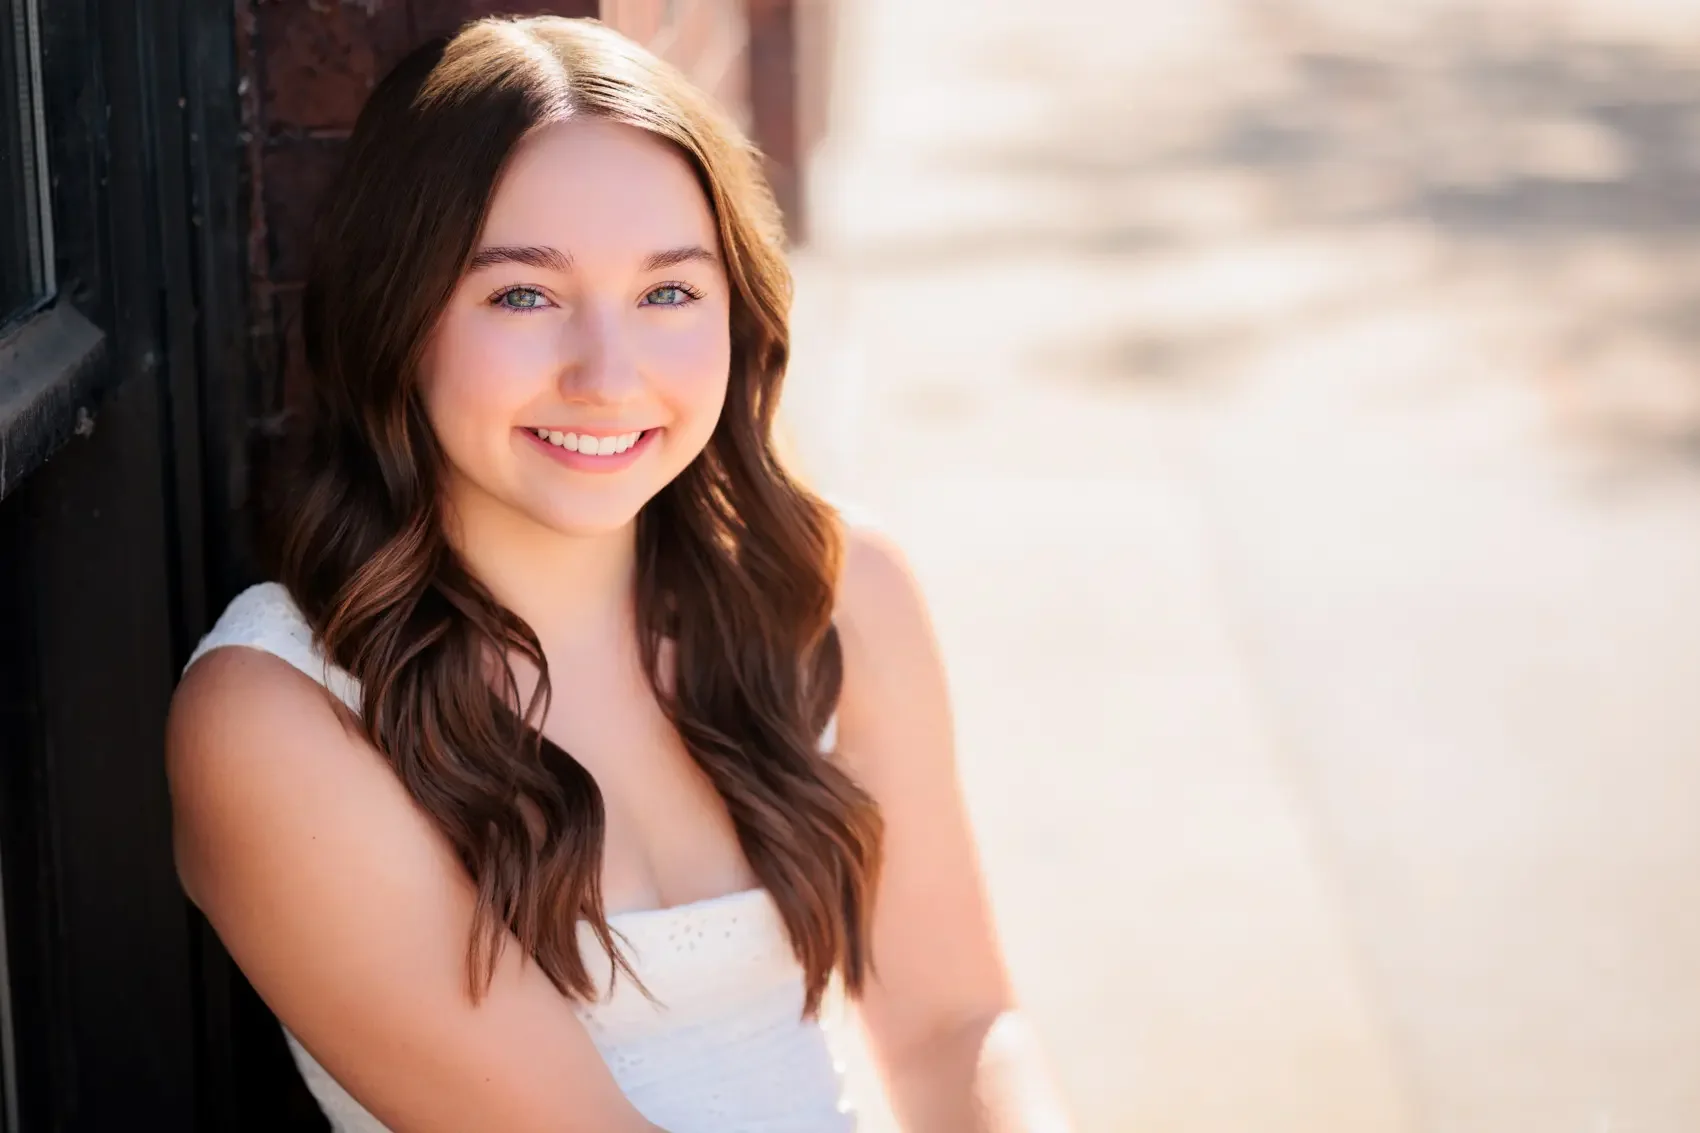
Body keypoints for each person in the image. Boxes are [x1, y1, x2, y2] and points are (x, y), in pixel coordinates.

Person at [166, 16, 1069, 1132]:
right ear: (396, 318)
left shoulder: (832, 594)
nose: (606, 374)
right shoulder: (284, 716)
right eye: (522, 296)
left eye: (668, 292)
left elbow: (952, 1027)